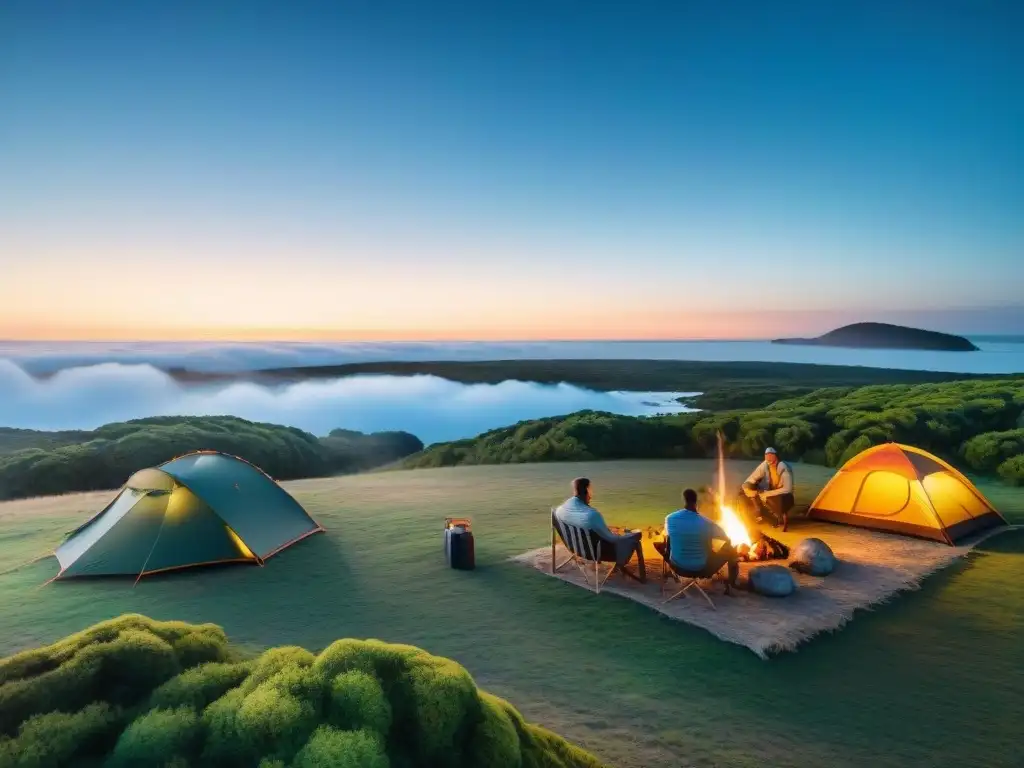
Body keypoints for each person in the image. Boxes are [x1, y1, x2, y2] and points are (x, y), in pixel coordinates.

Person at [554, 477, 646, 581]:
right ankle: (640, 577)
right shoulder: (591, 515)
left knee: (612, 532)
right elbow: (612, 539)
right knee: (636, 537)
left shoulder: (561, 510)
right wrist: (629, 534)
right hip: (598, 552)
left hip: (575, 547)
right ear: (587, 490)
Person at [654, 488, 739, 593]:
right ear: (696, 502)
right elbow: (726, 539)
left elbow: (667, 536)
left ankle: (669, 574)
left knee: (669, 539)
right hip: (701, 569)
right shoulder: (707, 523)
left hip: (677, 567)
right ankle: (732, 584)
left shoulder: (670, 518)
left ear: (684, 500)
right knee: (730, 549)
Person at [741, 447, 795, 531]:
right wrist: (747, 488)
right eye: (766, 455)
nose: (768, 457)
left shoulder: (784, 467)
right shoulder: (765, 464)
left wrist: (765, 494)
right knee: (744, 491)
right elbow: (752, 478)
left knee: (774, 499)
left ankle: (773, 518)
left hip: (785, 496)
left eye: (770, 455)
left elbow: (787, 489)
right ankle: (761, 513)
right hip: (769, 491)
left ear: (776, 456)